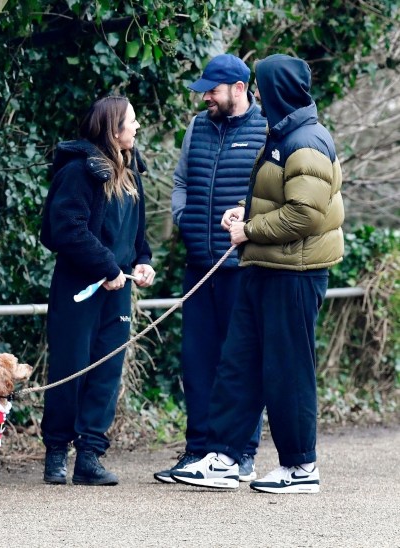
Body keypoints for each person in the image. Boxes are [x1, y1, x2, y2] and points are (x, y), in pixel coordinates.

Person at [170, 54, 344, 493]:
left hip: (296, 273)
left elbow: (305, 214)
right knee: (239, 364)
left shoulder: (307, 140)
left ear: (279, 89)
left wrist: (248, 229)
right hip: (264, 266)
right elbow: (277, 199)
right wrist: (243, 213)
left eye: (263, 86)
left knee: (288, 371)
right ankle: (225, 457)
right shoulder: (281, 134)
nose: (259, 95)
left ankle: (301, 466)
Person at [153, 54, 267, 484]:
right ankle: (199, 451)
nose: (205, 98)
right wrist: (184, 217)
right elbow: (182, 181)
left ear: (239, 89)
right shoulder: (198, 127)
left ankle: (240, 453)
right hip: (199, 266)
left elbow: (273, 194)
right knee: (197, 362)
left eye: (212, 91)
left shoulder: (265, 130)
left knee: (237, 362)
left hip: (243, 267)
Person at [40, 95, 155, 486]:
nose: (137, 128)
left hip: (118, 288)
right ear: (112, 128)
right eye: (132, 122)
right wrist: (106, 267)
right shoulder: (78, 171)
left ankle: (89, 455)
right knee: (70, 367)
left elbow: (137, 232)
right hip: (79, 286)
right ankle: (56, 451)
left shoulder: (132, 171)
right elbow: (65, 230)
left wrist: (143, 259)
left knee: (107, 371)